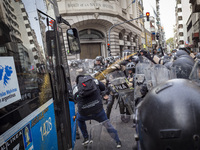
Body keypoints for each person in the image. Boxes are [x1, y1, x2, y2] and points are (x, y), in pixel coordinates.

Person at [73, 75, 122, 148]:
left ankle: (86, 138)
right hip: (98, 111)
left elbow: (75, 100)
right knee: (107, 124)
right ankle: (118, 141)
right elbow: (103, 88)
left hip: (84, 112)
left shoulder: (76, 88)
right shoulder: (95, 81)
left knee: (79, 119)